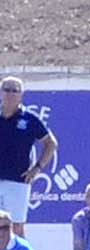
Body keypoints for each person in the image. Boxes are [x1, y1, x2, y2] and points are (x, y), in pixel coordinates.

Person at [0, 74, 55, 224]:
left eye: (15, 90)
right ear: (1, 92)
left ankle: (20, 249)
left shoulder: (30, 119)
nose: (10, 94)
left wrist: (37, 168)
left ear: (21, 95)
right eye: (7, 90)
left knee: (16, 226)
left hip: (18, 181)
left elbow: (51, 144)